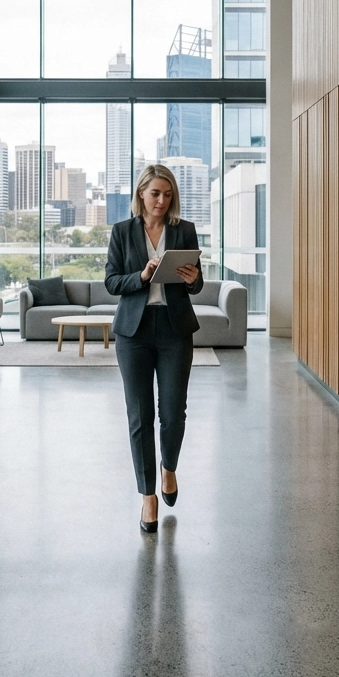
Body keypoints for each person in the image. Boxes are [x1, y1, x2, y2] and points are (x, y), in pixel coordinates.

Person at [105, 164, 204, 533]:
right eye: (155, 194)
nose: (161, 201)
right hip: (134, 332)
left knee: (173, 413)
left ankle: (169, 469)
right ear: (141, 194)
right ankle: (148, 497)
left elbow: (196, 282)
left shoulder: (185, 230)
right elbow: (112, 282)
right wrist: (142, 276)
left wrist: (194, 280)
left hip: (175, 329)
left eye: (167, 194)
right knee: (140, 416)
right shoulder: (122, 232)